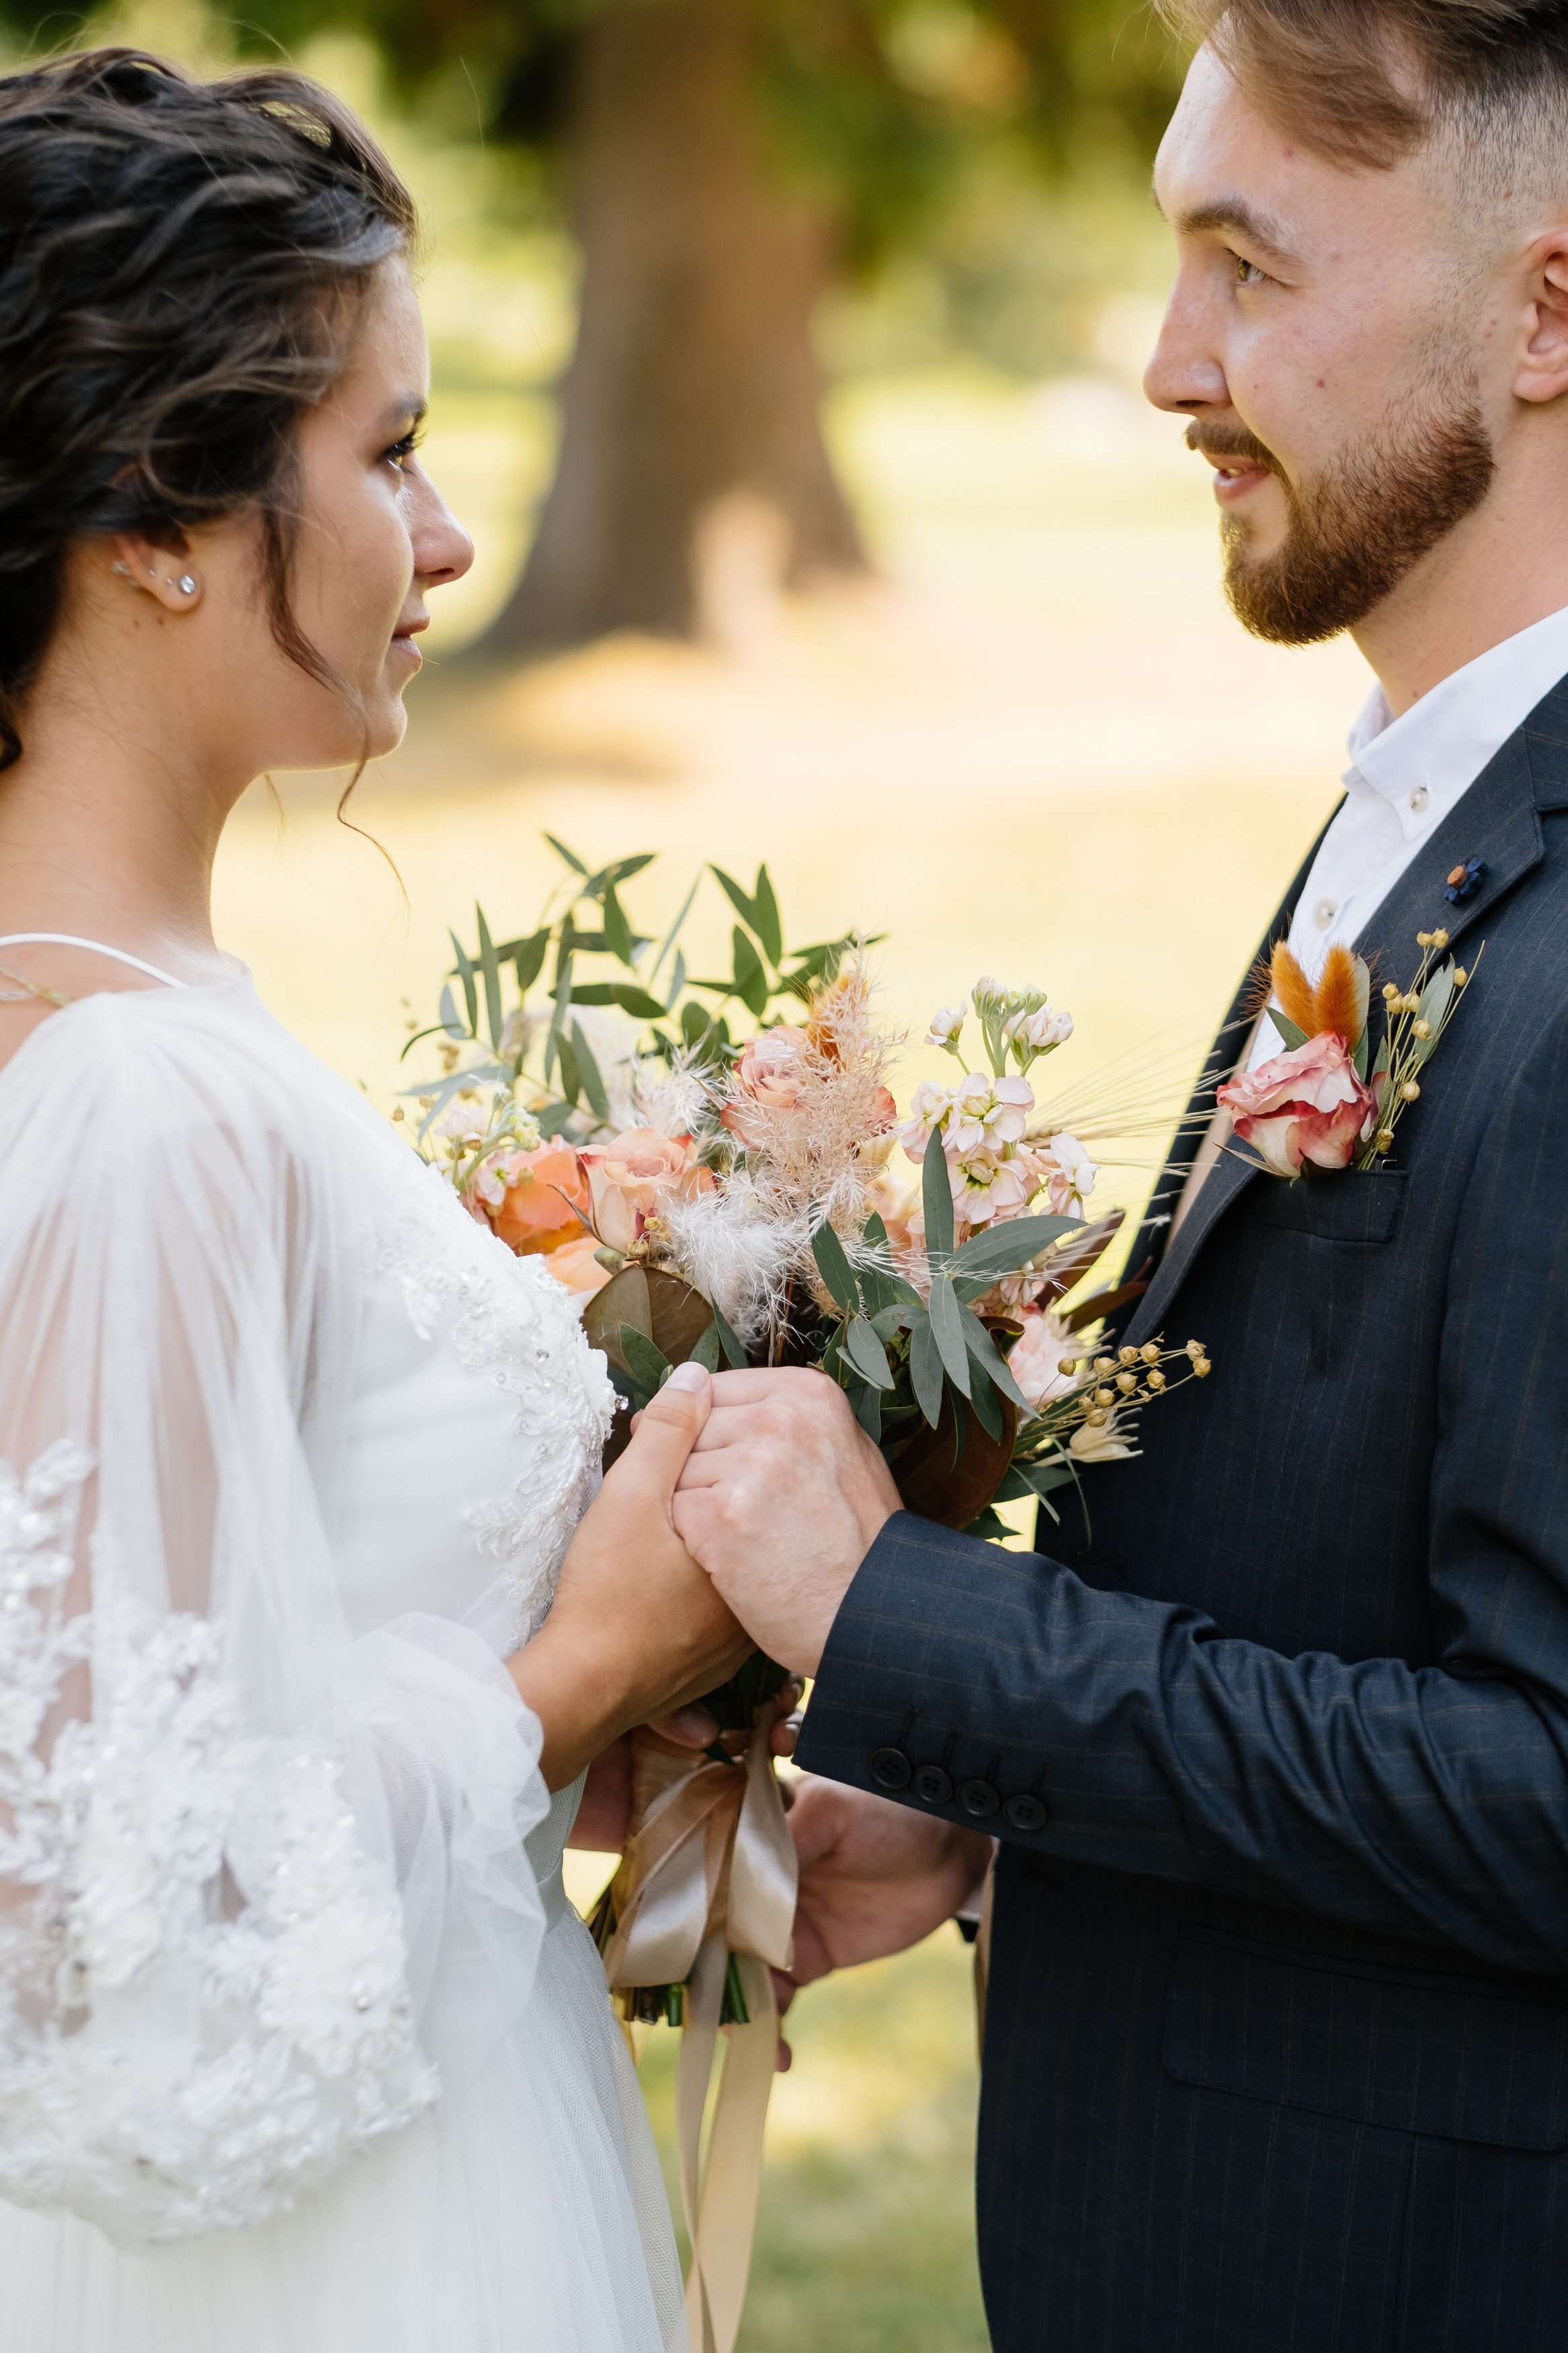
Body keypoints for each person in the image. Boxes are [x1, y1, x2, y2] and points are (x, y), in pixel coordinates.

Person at [668, 5, 1568, 2348]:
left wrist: (905, 1619)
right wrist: (995, 1806)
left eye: (1248, 270)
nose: (1173, 365)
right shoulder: (1434, 797)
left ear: (1549, 314)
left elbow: (1550, 1787)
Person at [0, 48, 747, 2353]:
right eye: (391, 453)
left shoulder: (125, 1023)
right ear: (161, 510)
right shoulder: (143, 1099)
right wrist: (589, 1661)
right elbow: (110, 1964)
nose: (447, 541)